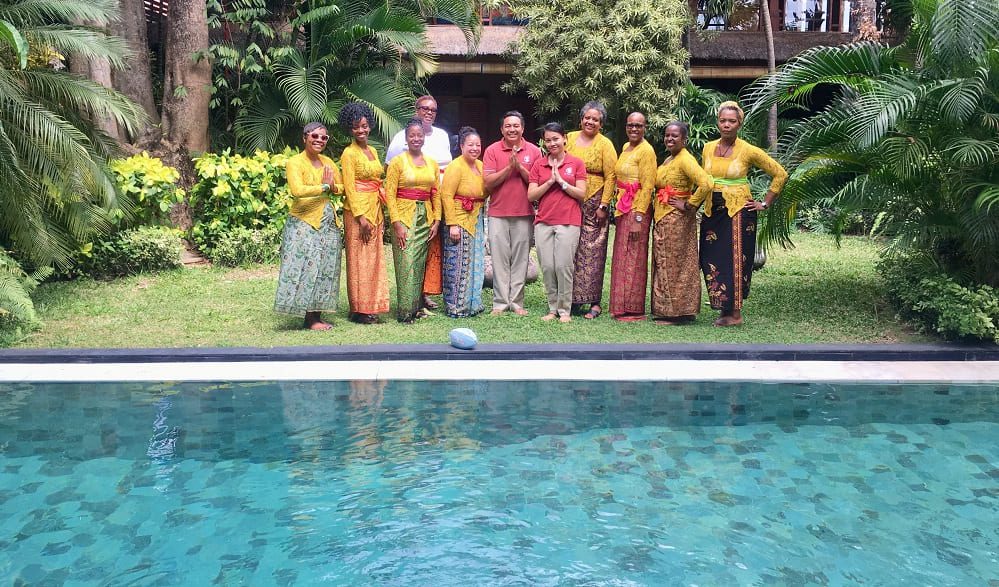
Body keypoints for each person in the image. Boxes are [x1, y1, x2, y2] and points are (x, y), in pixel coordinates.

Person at [695, 100, 788, 326]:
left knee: (735, 260)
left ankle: (734, 314)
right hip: (712, 211)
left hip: (737, 212)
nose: (726, 125)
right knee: (711, 257)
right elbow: (703, 179)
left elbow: (780, 174)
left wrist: (765, 203)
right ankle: (722, 307)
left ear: (739, 124)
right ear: (718, 122)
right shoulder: (707, 148)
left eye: (732, 121)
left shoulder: (748, 150)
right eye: (723, 120)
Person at [274, 122, 344, 330]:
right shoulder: (295, 162)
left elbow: (341, 187)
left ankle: (316, 316)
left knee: (325, 268)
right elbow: (297, 190)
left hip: (327, 223)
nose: (319, 140)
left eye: (324, 137)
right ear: (304, 137)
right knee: (307, 268)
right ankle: (309, 318)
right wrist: (324, 187)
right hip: (303, 223)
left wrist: (332, 186)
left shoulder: (328, 162)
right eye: (315, 136)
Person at [386, 95, 452, 311]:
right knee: (407, 257)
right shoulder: (399, 144)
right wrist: (395, 220)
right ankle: (407, 307)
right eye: (425, 108)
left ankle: (421, 298)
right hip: (405, 207)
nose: (429, 112)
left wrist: (437, 218)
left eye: (433, 109)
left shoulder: (440, 138)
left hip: (431, 206)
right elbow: (390, 185)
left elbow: (437, 187)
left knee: (426, 255)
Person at [651, 121, 714, 324]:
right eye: (667, 135)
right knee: (668, 262)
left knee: (675, 264)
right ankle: (676, 310)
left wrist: (689, 204)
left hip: (676, 219)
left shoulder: (685, 159)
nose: (669, 139)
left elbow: (707, 183)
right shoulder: (670, 159)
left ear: (684, 140)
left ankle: (676, 313)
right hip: (664, 216)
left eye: (675, 136)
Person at [482, 111, 542, 316]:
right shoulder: (492, 150)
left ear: (522, 128)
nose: (512, 129)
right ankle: (500, 303)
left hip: (524, 213)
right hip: (498, 213)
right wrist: (509, 168)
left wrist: (521, 168)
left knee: (520, 259)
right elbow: (488, 183)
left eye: (516, 125)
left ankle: (516, 302)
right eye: (508, 126)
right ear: (502, 129)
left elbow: (539, 183)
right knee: (499, 258)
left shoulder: (534, 151)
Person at [528, 123, 588, 323]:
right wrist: (549, 181)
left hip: (568, 221)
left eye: (556, 139)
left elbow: (581, 193)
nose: (552, 143)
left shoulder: (576, 163)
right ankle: (552, 308)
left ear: (564, 139)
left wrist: (561, 181)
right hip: (544, 221)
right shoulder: (539, 164)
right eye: (548, 140)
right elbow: (531, 195)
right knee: (547, 267)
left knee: (563, 266)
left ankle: (564, 310)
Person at [339, 102, 390, 324]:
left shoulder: (373, 151)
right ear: (349, 129)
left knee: (374, 259)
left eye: (364, 125)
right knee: (359, 260)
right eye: (356, 127)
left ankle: (372, 305)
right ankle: (359, 310)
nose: (361, 130)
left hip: (375, 208)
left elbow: (377, 180)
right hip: (358, 212)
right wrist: (360, 217)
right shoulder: (348, 153)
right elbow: (349, 187)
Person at [567, 101, 617, 319]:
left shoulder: (605, 144)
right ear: (581, 120)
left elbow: (612, 176)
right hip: (570, 200)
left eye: (595, 119)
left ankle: (594, 302)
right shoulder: (569, 139)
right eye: (587, 118)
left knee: (593, 251)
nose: (590, 122)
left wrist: (604, 205)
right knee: (571, 250)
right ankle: (572, 299)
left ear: (601, 124)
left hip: (595, 204)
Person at [606, 112, 657, 321]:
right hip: (623, 206)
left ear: (645, 128)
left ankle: (634, 309)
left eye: (638, 125)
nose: (634, 129)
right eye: (630, 125)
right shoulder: (627, 147)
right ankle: (620, 306)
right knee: (622, 256)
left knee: (634, 258)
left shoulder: (646, 151)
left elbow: (648, 186)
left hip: (637, 210)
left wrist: (638, 217)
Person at [441, 127, 488, 318]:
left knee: (475, 261)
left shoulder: (481, 166)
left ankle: (473, 303)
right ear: (461, 146)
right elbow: (446, 195)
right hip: (459, 219)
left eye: (478, 145)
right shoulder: (455, 166)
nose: (475, 148)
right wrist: (452, 224)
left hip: (476, 217)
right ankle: (456, 306)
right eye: (470, 145)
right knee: (459, 263)